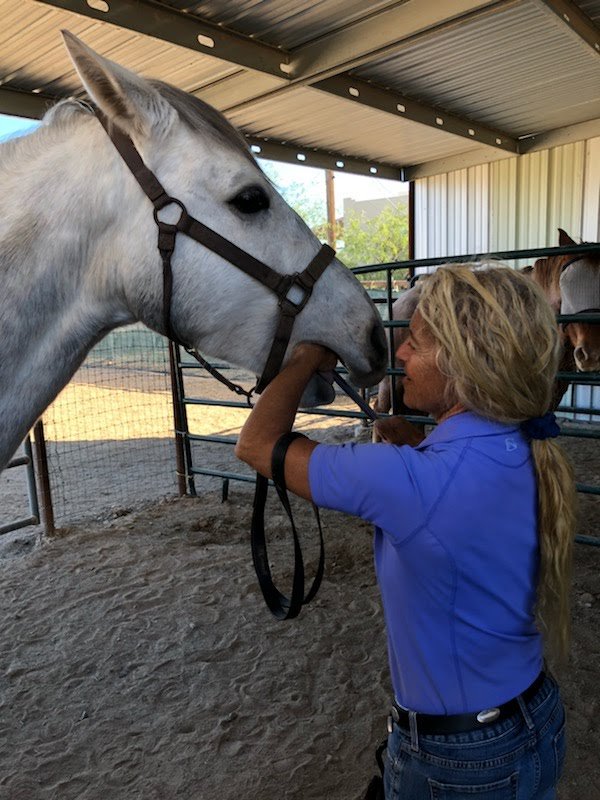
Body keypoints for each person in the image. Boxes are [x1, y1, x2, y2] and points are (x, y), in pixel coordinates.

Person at [235, 264, 577, 799]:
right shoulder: (521, 444)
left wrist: (306, 356)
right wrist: (415, 446)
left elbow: (256, 444)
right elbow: (455, 500)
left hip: (458, 761)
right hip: (534, 719)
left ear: (459, 361)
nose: (400, 356)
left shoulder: (407, 482)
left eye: (414, 343)